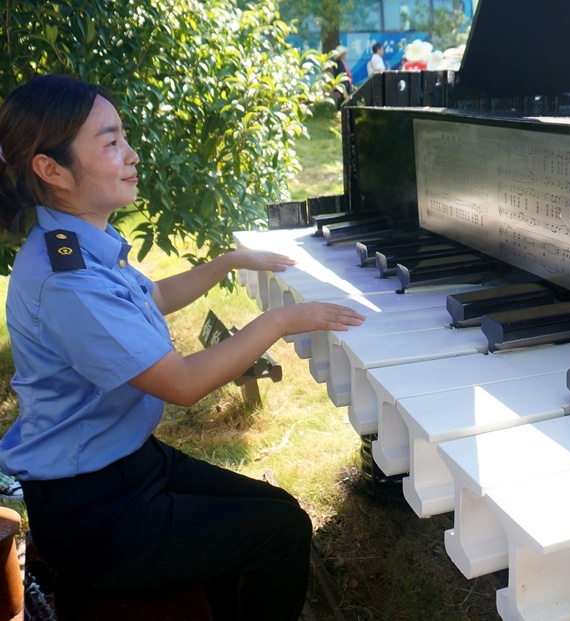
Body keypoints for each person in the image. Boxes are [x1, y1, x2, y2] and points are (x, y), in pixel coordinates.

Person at [0, 74, 366, 620]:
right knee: (282, 531)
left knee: (275, 509)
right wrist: (282, 320)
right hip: (94, 513)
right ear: (51, 170)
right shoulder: (67, 280)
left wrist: (227, 262)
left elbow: (152, 296)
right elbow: (184, 384)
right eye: (110, 142)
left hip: (128, 466)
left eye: (124, 136)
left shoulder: (79, 244)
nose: (131, 154)